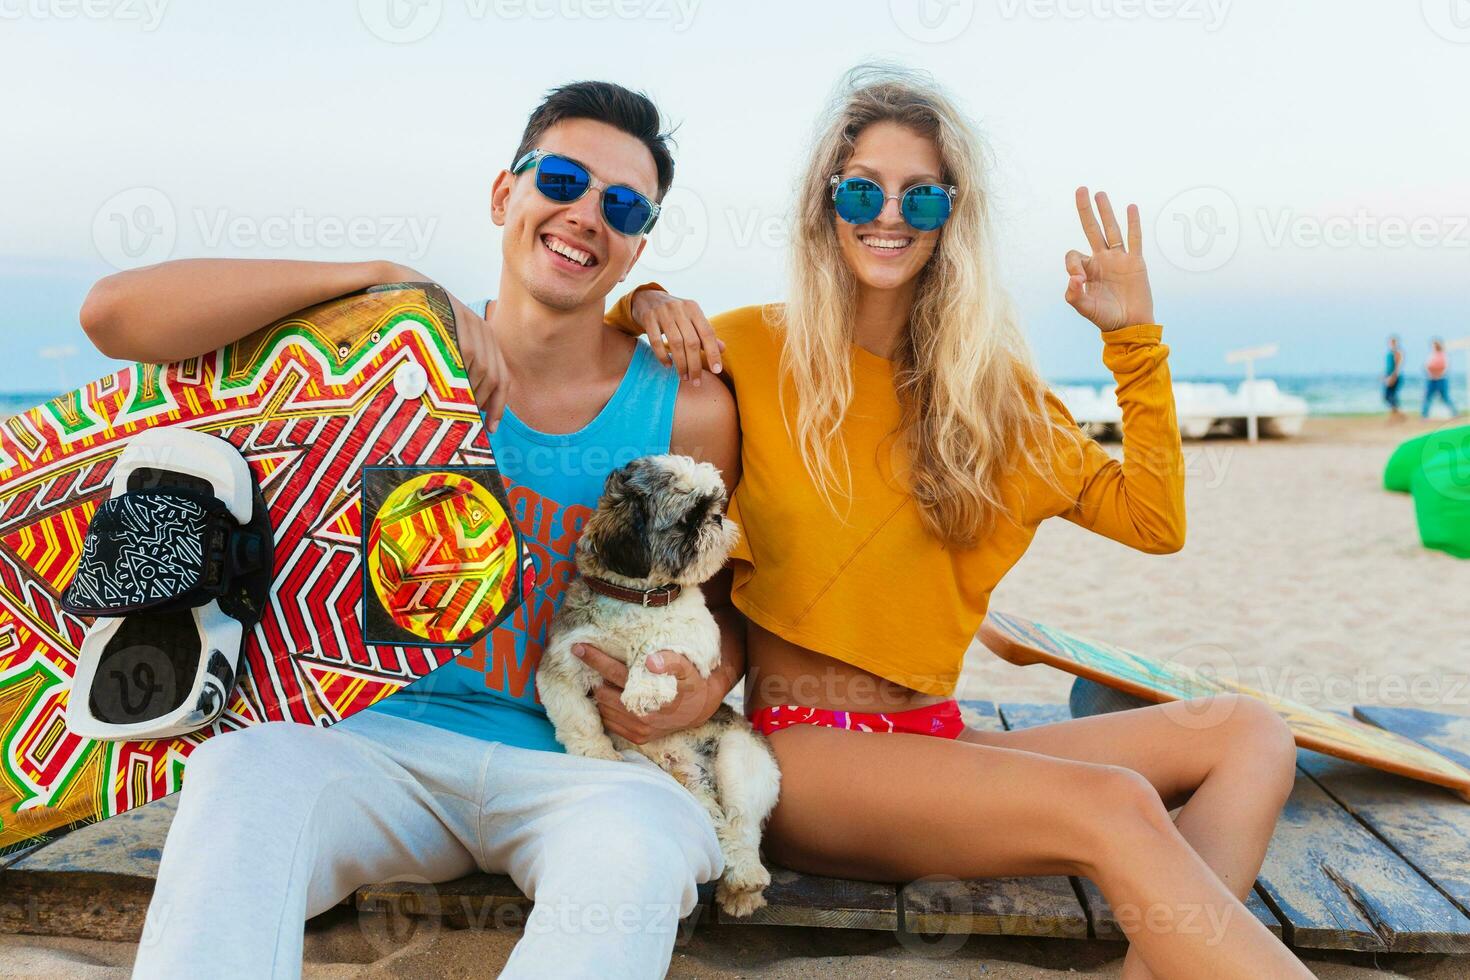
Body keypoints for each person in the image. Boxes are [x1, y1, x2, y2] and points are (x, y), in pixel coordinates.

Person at [577, 65, 1310, 978]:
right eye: (863, 190)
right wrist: (646, 301)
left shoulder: (990, 397)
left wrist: (1133, 339)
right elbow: (608, 350)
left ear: (950, 216)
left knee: (1251, 732)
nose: (890, 215)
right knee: (1116, 806)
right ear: (825, 205)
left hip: (938, 740)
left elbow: (1155, 520)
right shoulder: (757, 347)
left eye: (921, 197)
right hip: (809, 754)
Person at [80, 81, 743, 980]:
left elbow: (725, 607)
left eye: (622, 206)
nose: (586, 214)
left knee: (642, 847)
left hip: (584, 765)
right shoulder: (388, 351)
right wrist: (381, 278)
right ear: (505, 195)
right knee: (239, 780)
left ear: (635, 248)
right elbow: (111, 315)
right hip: (367, 743)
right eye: (561, 179)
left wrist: (707, 687)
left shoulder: (687, 406)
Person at [1422, 337, 1457, 418]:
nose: (1435, 347)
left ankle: (1454, 413)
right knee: (1428, 397)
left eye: (1436, 345)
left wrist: (1438, 373)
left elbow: (1445, 367)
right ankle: (1424, 414)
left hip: (1441, 379)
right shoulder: (1431, 355)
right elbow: (1426, 366)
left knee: (1445, 397)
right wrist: (1431, 372)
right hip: (1431, 379)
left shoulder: (1444, 355)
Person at [1384, 335, 1404, 419]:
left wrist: (1393, 376)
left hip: (1395, 376)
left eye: (1393, 342)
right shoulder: (1390, 352)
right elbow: (1389, 366)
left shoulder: (1397, 352)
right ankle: (1395, 414)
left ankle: (1398, 414)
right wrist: (1385, 376)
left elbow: (1397, 366)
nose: (1391, 344)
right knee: (1388, 396)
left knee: (1391, 396)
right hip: (1389, 376)